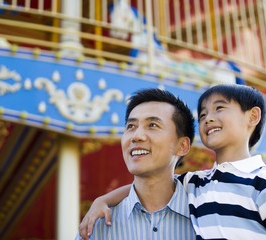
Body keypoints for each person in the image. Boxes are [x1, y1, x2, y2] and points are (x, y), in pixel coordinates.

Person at [79, 84, 266, 240]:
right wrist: (104, 200)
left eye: (219, 108)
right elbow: (151, 184)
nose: (208, 118)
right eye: (202, 115)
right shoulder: (199, 182)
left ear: (253, 116)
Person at [75, 88, 196, 239]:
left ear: (182, 146)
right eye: (131, 126)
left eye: (152, 125)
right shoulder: (96, 228)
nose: (136, 136)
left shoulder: (206, 217)